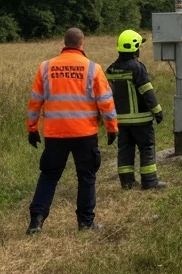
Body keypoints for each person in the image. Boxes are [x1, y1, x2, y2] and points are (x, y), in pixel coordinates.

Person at [25, 27, 118, 235]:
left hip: (55, 134)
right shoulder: (93, 68)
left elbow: (34, 102)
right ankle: (85, 222)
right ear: (82, 44)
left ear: (63, 43)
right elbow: (106, 102)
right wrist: (112, 128)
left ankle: (36, 222)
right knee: (86, 176)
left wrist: (32, 129)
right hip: (84, 133)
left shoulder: (45, 67)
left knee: (48, 175)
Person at [105, 29, 165, 191]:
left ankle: (127, 183)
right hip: (141, 120)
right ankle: (150, 181)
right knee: (146, 148)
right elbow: (147, 91)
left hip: (121, 121)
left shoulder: (110, 69)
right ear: (135, 48)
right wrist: (157, 111)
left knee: (125, 150)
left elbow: (106, 96)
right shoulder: (137, 68)